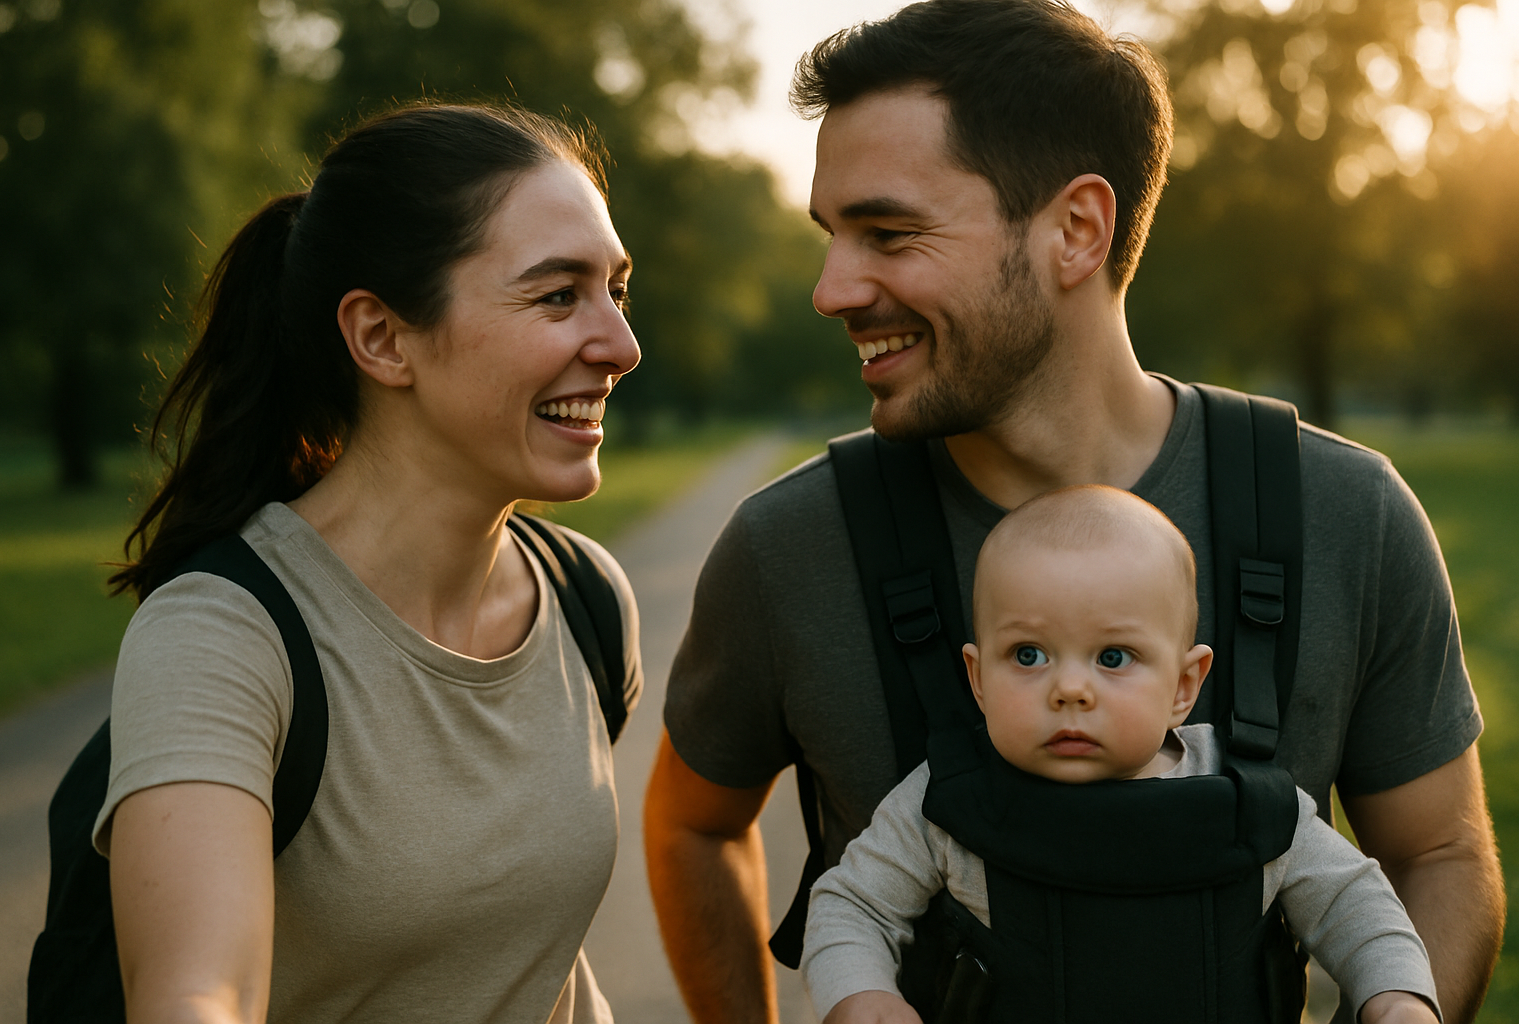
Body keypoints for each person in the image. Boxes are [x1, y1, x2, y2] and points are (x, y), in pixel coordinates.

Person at [642, 2, 1503, 1023]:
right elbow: (691, 826)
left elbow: (1440, 850)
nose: (831, 289)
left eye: (889, 233)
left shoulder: (1347, 518)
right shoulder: (787, 549)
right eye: (831, 237)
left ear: (1075, 230)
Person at [96, 103, 641, 1023]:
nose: (622, 347)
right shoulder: (220, 637)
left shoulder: (584, 596)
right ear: (383, 339)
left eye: (616, 291)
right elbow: (200, 994)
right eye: (558, 295)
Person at [802, 485, 1440, 1024]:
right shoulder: (948, 803)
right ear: (976, 679)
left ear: (1184, 686)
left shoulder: (1249, 804)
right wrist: (862, 997)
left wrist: (1397, 996)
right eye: (1027, 655)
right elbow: (852, 904)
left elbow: (1353, 902)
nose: (1070, 689)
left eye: (1113, 658)